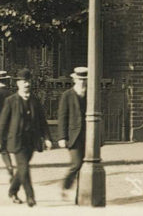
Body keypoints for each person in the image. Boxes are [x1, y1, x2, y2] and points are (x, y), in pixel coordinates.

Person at [0, 68, 53, 207]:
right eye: (24, 82)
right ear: (19, 83)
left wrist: (48, 138)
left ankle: (12, 190)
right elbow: (2, 123)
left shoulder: (35, 101)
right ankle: (30, 197)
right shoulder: (11, 101)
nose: (27, 84)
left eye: (29, 82)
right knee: (24, 167)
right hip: (17, 141)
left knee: (21, 169)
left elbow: (42, 121)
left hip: (31, 142)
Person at [58, 67, 88, 202]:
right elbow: (62, 117)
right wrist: (62, 137)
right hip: (73, 136)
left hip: (88, 136)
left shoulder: (92, 94)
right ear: (74, 79)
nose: (82, 82)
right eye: (79, 79)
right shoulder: (67, 95)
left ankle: (79, 197)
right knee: (76, 164)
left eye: (84, 80)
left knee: (86, 166)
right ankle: (65, 186)